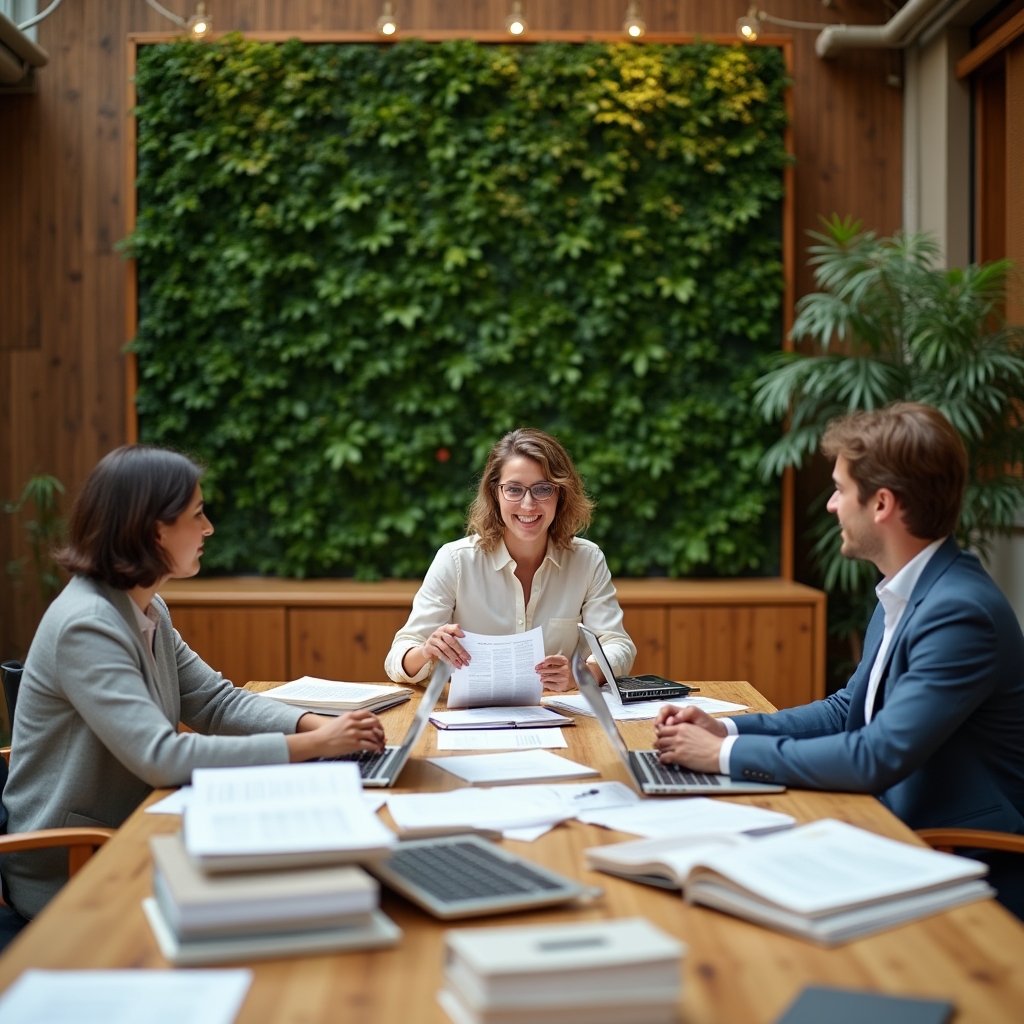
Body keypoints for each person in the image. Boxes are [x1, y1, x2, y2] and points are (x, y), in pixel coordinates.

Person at [653, 402, 1024, 916]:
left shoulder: (958, 613)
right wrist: (729, 733)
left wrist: (718, 759)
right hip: (885, 830)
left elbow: (875, 755)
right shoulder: (910, 589)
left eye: (840, 490)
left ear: (882, 505)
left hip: (957, 859)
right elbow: (847, 708)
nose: (831, 506)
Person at [1, 446, 385, 920]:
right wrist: (311, 746)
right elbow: (161, 758)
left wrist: (315, 725)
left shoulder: (146, 608)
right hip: (78, 864)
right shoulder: (87, 624)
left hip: (138, 831)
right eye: (197, 515)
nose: (209, 529)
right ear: (153, 528)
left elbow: (215, 702)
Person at [385, 428, 635, 690]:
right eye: (514, 489)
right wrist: (426, 650)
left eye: (543, 489)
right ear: (495, 493)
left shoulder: (587, 559)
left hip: (559, 716)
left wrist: (584, 673)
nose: (528, 504)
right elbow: (397, 657)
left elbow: (618, 644)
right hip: (470, 718)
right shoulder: (455, 561)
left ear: (560, 494)